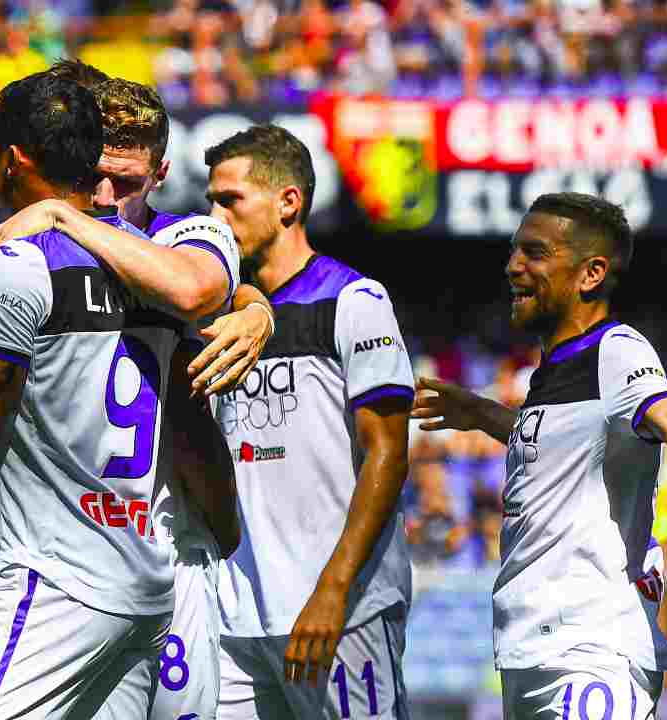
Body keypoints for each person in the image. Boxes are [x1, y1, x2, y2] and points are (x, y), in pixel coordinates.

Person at [0, 70, 237, 719]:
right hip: (142, 585)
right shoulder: (155, 256)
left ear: (11, 160)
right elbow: (208, 290)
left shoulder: (16, 259)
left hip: (53, 581)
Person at [411, 192, 667, 719]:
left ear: (591, 274)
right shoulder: (554, 373)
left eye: (535, 253)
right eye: (514, 251)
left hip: (589, 651)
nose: (513, 265)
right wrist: (481, 413)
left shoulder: (615, 349)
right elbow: (556, 448)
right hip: (533, 652)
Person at [0, 67, 275, 720]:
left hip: (175, 557)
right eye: (96, 178)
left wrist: (257, 306)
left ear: (162, 174)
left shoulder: (187, 237)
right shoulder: (18, 250)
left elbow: (197, 289)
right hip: (53, 563)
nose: (110, 196)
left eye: (130, 183)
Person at [200, 124, 415, 720]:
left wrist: (333, 590)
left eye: (230, 200)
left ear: (288, 202)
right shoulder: (217, 314)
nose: (214, 216)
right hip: (237, 615)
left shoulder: (354, 301)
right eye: (210, 200)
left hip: (339, 612)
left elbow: (389, 454)